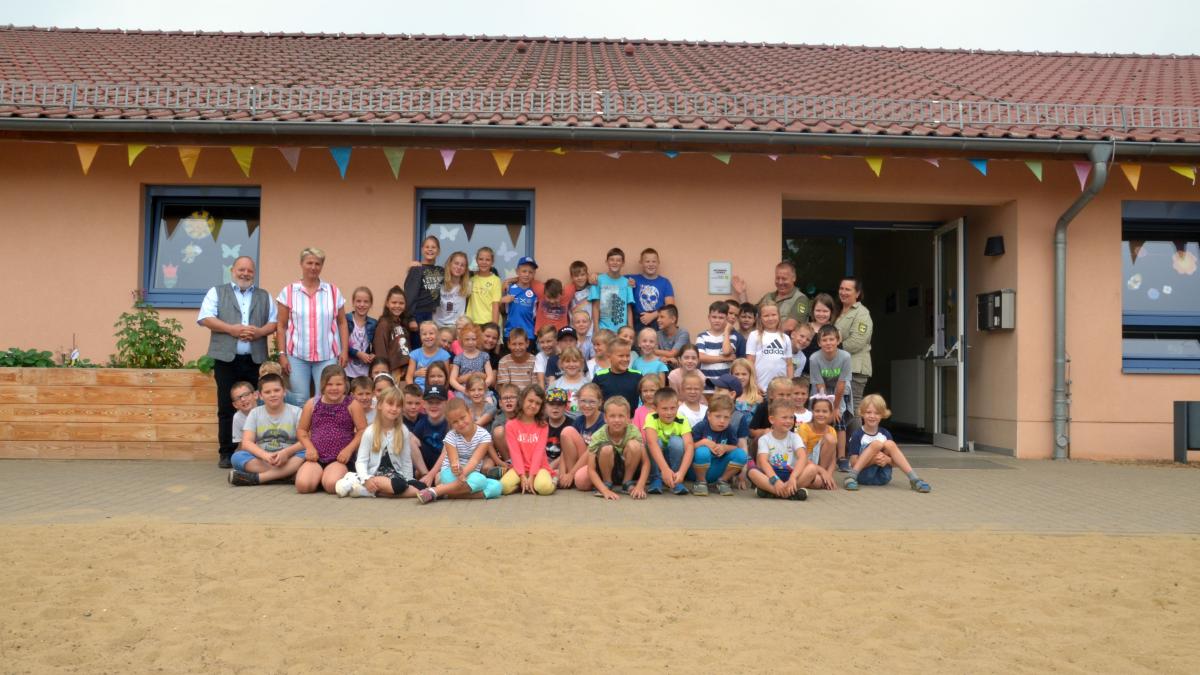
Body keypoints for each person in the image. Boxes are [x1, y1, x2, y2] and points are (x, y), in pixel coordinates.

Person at [198, 255, 277, 468]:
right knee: (227, 406)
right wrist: (231, 329)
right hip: (225, 359)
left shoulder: (264, 295)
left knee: (257, 407)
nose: (245, 274)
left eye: (250, 271)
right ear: (232, 270)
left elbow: (274, 322)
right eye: (241, 270)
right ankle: (226, 452)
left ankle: (258, 450)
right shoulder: (216, 292)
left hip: (255, 359)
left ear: (254, 273)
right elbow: (205, 318)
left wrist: (260, 332)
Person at [275, 247, 349, 406]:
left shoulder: (333, 291)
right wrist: (282, 354)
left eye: (317, 263)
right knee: (300, 400)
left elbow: (342, 323)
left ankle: (322, 431)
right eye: (309, 263)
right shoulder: (288, 291)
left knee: (326, 398)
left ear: (322, 266)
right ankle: (301, 431)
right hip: (297, 356)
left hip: (327, 355)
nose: (313, 267)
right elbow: (281, 326)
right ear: (301, 264)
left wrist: (344, 351)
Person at [334, 385, 426, 498]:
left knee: (422, 487)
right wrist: (366, 479)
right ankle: (356, 479)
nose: (394, 408)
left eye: (398, 405)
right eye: (390, 404)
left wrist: (409, 480)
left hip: (396, 476)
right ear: (380, 405)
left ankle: (367, 491)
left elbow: (406, 460)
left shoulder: (403, 431)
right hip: (375, 474)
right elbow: (361, 461)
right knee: (400, 486)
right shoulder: (370, 431)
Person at [294, 365, 368, 494]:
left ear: (345, 385)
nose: (334, 388)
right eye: (329, 384)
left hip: (340, 458)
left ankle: (340, 477)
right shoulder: (312, 404)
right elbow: (301, 430)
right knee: (303, 486)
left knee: (331, 485)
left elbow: (362, 430)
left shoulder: (352, 404)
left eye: (338, 384)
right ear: (322, 385)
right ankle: (318, 476)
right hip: (316, 457)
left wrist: (348, 450)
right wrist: (309, 448)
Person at [417, 398, 504, 503]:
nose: (460, 423)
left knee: (497, 486)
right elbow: (454, 461)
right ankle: (447, 490)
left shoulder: (484, 435)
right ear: (450, 424)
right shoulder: (450, 437)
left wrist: (464, 474)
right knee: (480, 480)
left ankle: (441, 491)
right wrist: (457, 471)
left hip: (470, 474)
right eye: (455, 422)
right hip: (451, 474)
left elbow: (475, 460)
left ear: (470, 413)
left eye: (463, 418)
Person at [227, 374, 305, 486]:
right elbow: (247, 443)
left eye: (277, 390)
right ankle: (287, 474)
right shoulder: (255, 413)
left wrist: (286, 453)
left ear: (284, 392)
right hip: (264, 458)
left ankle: (260, 478)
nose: (273, 395)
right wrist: (265, 456)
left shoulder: (297, 412)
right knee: (237, 457)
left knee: (306, 452)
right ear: (260, 395)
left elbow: (305, 440)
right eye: (267, 392)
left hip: (289, 457)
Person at [844, 394, 931, 493]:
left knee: (889, 444)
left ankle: (914, 479)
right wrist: (873, 460)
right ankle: (851, 477)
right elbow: (853, 463)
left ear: (882, 415)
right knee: (876, 444)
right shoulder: (857, 435)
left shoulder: (885, 434)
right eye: (868, 412)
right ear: (862, 413)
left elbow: (895, 462)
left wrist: (887, 460)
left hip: (883, 477)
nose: (872, 416)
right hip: (861, 476)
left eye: (876, 413)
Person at [575, 396, 648, 500]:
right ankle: (607, 484)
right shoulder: (598, 435)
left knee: (634, 445)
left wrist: (640, 486)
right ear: (605, 418)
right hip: (606, 470)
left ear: (628, 418)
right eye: (612, 416)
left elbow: (646, 462)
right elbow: (591, 469)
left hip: (627, 469)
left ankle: (627, 483)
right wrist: (604, 491)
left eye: (621, 416)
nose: (617, 420)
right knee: (581, 481)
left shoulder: (633, 431)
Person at [748, 398, 815, 501]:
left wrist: (793, 477)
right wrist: (775, 480)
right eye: (784, 418)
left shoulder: (795, 437)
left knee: (812, 469)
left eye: (791, 417)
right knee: (752, 472)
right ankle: (789, 493)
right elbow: (763, 461)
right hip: (771, 474)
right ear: (772, 420)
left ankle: (773, 492)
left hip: (791, 474)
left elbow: (802, 457)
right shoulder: (764, 439)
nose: (788, 421)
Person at [809, 324, 854, 472]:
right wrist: (824, 405)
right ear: (819, 342)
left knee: (839, 420)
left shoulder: (845, 357)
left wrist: (835, 408)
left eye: (831, 339)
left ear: (838, 340)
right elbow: (819, 383)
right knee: (820, 416)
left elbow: (841, 383)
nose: (828, 343)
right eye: (825, 340)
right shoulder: (814, 358)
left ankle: (841, 458)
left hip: (839, 390)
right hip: (822, 389)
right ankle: (818, 454)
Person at [688, 394, 749, 496]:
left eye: (726, 417)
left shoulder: (729, 429)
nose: (722, 421)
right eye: (718, 416)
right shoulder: (701, 427)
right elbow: (687, 447)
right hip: (696, 470)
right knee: (702, 451)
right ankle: (700, 482)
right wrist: (703, 442)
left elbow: (734, 446)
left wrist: (725, 448)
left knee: (741, 454)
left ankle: (722, 481)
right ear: (709, 415)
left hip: (718, 468)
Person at [500, 385, 556, 495]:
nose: (533, 405)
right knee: (503, 487)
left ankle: (553, 480)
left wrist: (532, 474)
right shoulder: (511, 425)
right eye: (530, 401)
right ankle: (524, 485)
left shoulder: (543, 425)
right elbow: (515, 453)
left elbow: (539, 452)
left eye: (538, 403)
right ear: (522, 400)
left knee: (544, 488)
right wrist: (521, 475)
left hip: (540, 467)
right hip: (519, 468)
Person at [834, 276, 874, 431]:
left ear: (857, 293)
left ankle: (857, 448)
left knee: (854, 409)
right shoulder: (839, 311)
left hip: (855, 368)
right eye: (841, 288)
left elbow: (858, 341)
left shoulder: (862, 313)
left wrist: (833, 350)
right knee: (841, 408)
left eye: (848, 289)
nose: (843, 292)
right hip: (840, 367)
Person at [731, 261, 811, 333]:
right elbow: (752, 315)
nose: (780, 282)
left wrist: (765, 334)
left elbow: (790, 326)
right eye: (777, 278)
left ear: (794, 278)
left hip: (783, 346)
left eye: (784, 279)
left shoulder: (800, 299)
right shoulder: (768, 296)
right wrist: (742, 294)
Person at [643, 388, 696, 496]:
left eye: (673, 408)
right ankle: (656, 478)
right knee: (656, 442)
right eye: (664, 409)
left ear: (678, 407)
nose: (669, 412)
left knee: (677, 441)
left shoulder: (682, 419)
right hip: (657, 458)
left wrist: (682, 472)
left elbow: (690, 446)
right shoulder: (651, 417)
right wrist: (665, 469)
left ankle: (675, 479)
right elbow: (652, 443)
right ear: (655, 408)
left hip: (673, 459)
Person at [559, 382, 604, 488]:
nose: (587, 405)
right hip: (580, 462)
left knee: (581, 481)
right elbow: (564, 450)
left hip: (595, 463)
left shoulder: (603, 421)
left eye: (592, 402)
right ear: (578, 401)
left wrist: (570, 474)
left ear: (600, 402)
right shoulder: (579, 420)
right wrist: (562, 473)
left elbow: (590, 451)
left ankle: (572, 477)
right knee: (567, 431)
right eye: (583, 401)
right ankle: (568, 479)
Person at [745, 300, 794, 395]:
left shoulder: (785, 338)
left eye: (773, 315)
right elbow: (750, 362)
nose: (770, 318)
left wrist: (790, 383)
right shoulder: (754, 335)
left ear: (779, 316)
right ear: (760, 318)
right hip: (760, 388)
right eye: (766, 316)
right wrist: (754, 384)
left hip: (781, 390)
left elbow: (789, 365)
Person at [695, 301, 742, 389]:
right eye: (714, 317)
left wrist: (727, 331)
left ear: (726, 319)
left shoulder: (732, 337)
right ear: (709, 317)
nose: (717, 320)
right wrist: (724, 359)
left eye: (721, 318)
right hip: (706, 382)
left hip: (725, 384)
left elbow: (726, 351)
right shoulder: (702, 336)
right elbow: (701, 357)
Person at [411, 383, 451, 485]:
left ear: (446, 404)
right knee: (409, 437)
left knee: (440, 479)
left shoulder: (450, 422)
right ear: (424, 404)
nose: (433, 406)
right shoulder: (422, 422)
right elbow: (413, 447)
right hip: (427, 464)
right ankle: (425, 476)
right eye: (430, 402)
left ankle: (430, 478)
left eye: (438, 402)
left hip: (446, 463)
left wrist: (432, 474)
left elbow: (447, 452)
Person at [631, 247, 676, 332]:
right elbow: (613, 278)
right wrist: (597, 275)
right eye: (647, 261)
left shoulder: (665, 282)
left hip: (658, 321)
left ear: (658, 262)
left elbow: (670, 306)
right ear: (641, 262)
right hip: (638, 322)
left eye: (654, 261)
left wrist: (652, 315)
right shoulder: (633, 279)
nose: (651, 264)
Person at [797, 395, 840, 485]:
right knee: (817, 482)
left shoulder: (831, 430)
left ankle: (821, 477)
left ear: (831, 413)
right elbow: (802, 456)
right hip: (805, 462)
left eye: (825, 411)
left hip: (821, 463)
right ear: (812, 412)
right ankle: (817, 477)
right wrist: (822, 471)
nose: (821, 414)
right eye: (817, 411)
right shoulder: (804, 428)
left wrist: (829, 475)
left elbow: (833, 459)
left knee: (830, 438)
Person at [403, 235, 444, 327]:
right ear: (422, 250)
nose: (430, 249)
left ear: (438, 251)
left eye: (433, 247)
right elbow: (409, 295)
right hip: (418, 314)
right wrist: (410, 318)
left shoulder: (441, 271)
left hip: (433, 314)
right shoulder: (417, 269)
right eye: (427, 247)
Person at [591, 247, 634, 333]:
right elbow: (595, 307)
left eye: (618, 260)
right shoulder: (598, 280)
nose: (615, 262)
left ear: (623, 263)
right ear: (606, 262)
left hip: (622, 331)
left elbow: (628, 308)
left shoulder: (627, 282)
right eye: (612, 260)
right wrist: (596, 329)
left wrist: (631, 329)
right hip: (603, 329)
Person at [373, 285, 412, 381]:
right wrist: (384, 370)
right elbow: (380, 349)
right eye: (394, 302)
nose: (397, 306)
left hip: (404, 371)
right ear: (387, 303)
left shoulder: (402, 324)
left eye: (401, 303)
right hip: (391, 370)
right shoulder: (384, 324)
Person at [593, 338, 641, 408]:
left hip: (631, 418)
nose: (625, 359)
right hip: (606, 418)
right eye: (621, 356)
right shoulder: (599, 376)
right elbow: (594, 400)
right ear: (609, 357)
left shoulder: (637, 376)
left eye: (627, 356)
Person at [501, 256, 541, 342]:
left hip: (528, 335)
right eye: (524, 271)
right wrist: (502, 299)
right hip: (510, 334)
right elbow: (499, 308)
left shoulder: (536, 292)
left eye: (530, 272)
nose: (527, 274)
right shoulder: (509, 288)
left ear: (534, 274)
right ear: (517, 271)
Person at [449, 323, 494, 394]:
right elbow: (452, 380)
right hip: (464, 390)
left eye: (473, 339)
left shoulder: (484, 356)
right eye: (467, 339)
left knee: (490, 402)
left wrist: (484, 386)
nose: (470, 342)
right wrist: (463, 390)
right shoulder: (458, 358)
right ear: (462, 340)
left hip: (481, 388)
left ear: (478, 339)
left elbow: (490, 376)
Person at [406, 321, 451, 391]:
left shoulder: (444, 355)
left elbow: (447, 378)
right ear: (420, 336)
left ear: (437, 335)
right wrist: (413, 392)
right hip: (418, 391)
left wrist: (442, 392)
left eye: (431, 333)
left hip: (436, 391)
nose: (428, 336)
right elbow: (409, 377)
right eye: (424, 334)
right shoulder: (415, 354)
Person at [344, 286, 377, 379]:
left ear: (371, 304)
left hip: (365, 372)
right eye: (358, 301)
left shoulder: (374, 323)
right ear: (353, 302)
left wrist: (373, 354)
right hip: (346, 370)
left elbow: (375, 345)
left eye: (366, 301)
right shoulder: (346, 320)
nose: (362, 304)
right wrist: (357, 353)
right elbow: (340, 343)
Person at [433, 251, 471, 328]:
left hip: (457, 327)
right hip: (438, 326)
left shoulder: (468, 285)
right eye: (456, 263)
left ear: (465, 269)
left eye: (462, 265)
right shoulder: (438, 282)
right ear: (449, 264)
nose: (459, 267)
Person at [466, 246, 503, 326]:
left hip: (489, 323)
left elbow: (495, 306)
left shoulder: (496, 280)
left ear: (492, 262)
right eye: (481, 259)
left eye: (487, 260)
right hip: (472, 323)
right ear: (476, 260)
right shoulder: (471, 280)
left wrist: (494, 326)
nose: (484, 262)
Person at [803, 293, 838, 361]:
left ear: (831, 312)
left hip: (824, 370)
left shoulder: (835, 331)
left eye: (825, 311)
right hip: (803, 370)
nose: (821, 314)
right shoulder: (805, 327)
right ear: (813, 311)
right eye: (818, 310)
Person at [228, 381, 256, 452]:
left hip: (270, 446)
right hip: (252, 449)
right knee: (236, 456)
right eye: (238, 398)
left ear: (255, 395)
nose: (243, 399)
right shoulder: (237, 417)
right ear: (235, 405)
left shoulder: (265, 410)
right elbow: (241, 443)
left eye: (246, 394)